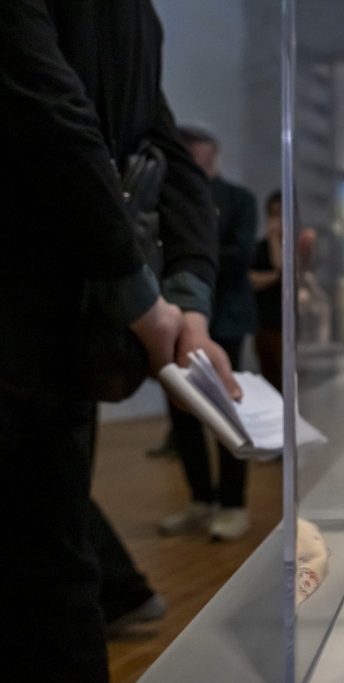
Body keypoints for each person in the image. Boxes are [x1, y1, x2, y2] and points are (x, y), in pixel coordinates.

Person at [0, 2, 237, 680]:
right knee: (55, 579)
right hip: (63, 336)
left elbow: (55, 122)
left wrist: (160, 306)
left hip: (28, 320)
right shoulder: (135, 14)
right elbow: (167, 154)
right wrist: (182, 303)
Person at [159, 126, 257, 541]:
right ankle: (201, 498)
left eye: (197, 151)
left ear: (212, 154)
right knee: (182, 414)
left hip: (225, 318)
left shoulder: (238, 199)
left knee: (226, 413)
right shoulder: (171, 196)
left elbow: (240, 256)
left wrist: (193, 252)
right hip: (177, 318)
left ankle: (234, 503)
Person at [250, 191, 284, 391]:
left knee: (284, 380)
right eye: (273, 214)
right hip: (263, 323)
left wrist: (275, 241)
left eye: (281, 214)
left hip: (285, 327)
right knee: (269, 378)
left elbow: (282, 269)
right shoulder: (258, 248)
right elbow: (250, 280)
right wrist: (275, 276)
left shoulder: (293, 247)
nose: (277, 220)